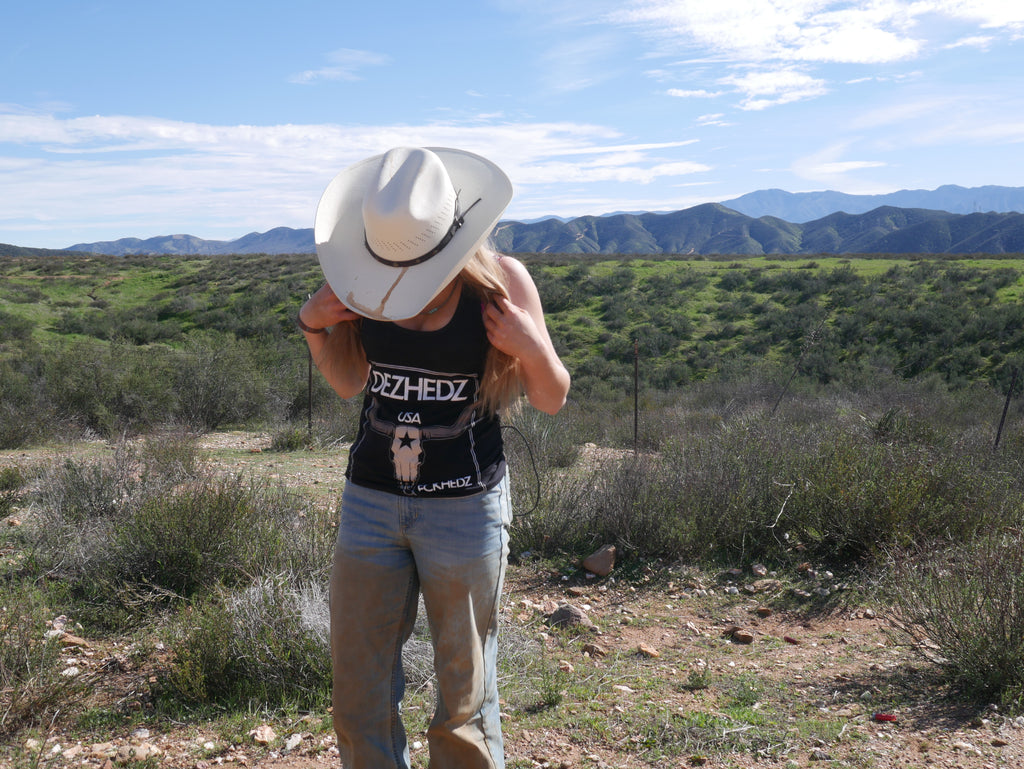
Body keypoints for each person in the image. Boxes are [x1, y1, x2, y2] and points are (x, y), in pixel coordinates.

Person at [297, 146, 570, 769]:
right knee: (358, 688)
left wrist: (530, 346)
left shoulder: (502, 283)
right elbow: (348, 382)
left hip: (466, 509)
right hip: (370, 501)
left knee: (464, 693)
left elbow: (552, 396)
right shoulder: (360, 282)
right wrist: (314, 324)